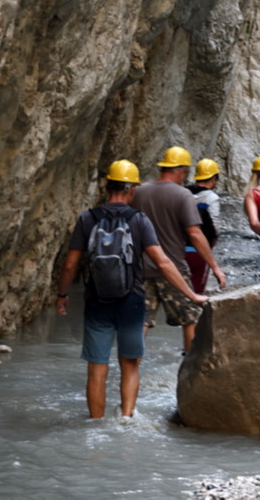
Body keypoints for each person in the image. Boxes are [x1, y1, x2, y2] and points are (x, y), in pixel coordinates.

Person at [56, 159, 208, 419]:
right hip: (132, 300)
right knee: (129, 366)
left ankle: (96, 422)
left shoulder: (87, 219)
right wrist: (191, 294)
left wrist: (62, 295)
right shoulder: (139, 220)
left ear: (106, 187)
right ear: (132, 190)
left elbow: (70, 264)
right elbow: (163, 262)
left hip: (97, 301)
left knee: (96, 368)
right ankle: (126, 419)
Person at [132, 146, 227, 352]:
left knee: (142, 321)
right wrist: (215, 267)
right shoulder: (182, 195)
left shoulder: (138, 192)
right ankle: (190, 368)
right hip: (173, 269)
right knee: (190, 318)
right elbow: (195, 234)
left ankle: (132, 367)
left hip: (141, 269)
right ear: (182, 171)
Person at [185, 158, 222, 294]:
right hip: (200, 250)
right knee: (196, 292)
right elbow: (214, 226)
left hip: (177, 249)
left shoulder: (184, 193)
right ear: (213, 178)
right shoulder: (211, 198)